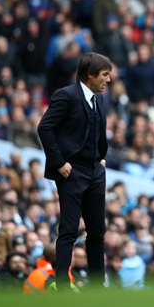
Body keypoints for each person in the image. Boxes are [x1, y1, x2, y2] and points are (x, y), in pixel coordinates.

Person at [37, 53, 111, 289]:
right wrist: (59, 163)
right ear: (90, 75)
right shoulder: (66, 96)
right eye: (105, 75)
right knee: (68, 231)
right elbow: (45, 128)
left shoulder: (98, 99)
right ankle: (61, 285)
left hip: (95, 171)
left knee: (97, 232)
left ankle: (98, 287)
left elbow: (97, 132)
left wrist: (100, 159)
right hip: (72, 171)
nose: (108, 80)